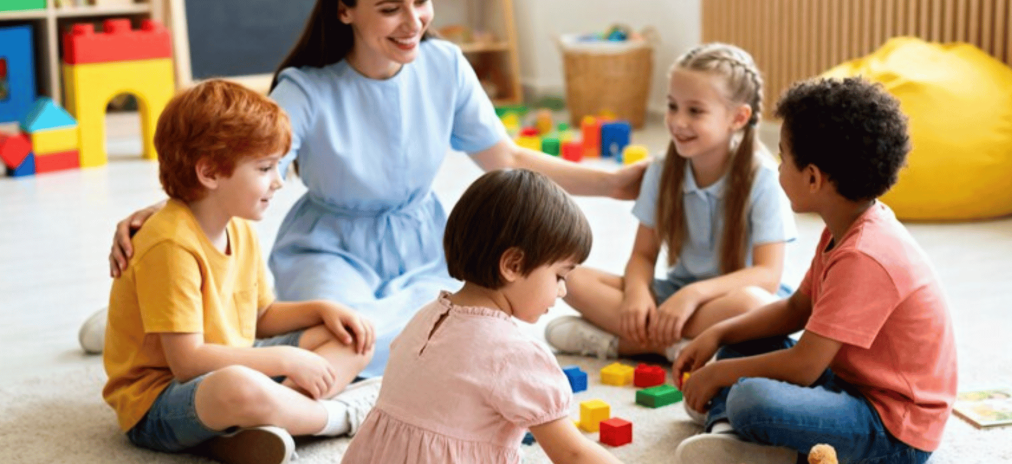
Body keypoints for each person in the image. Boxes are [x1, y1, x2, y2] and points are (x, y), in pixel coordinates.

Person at [86, 0, 648, 380]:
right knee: (354, 331)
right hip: (329, 245)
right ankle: (165, 324)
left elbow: (504, 158)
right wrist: (167, 212)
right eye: (388, 8)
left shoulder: (446, 66)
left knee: (469, 324)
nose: (413, 21)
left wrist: (615, 182)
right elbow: (235, 165)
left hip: (423, 238)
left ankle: (193, 329)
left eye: (420, 1)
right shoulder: (307, 88)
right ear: (347, 9)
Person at [331, 169, 692, 464]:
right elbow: (571, 453)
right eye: (559, 276)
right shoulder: (515, 352)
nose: (562, 291)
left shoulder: (425, 316)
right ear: (513, 265)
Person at [671, 77, 957, 464]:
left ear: (813, 178)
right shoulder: (844, 225)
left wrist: (716, 375)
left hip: (894, 427)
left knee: (749, 397)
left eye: (782, 156)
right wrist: (716, 333)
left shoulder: (865, 255)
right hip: (848, 382)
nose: (776, 165)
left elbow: (803, 367)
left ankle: (746, 432)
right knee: (741, 339)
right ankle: (731, 433)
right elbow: (795, 309)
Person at [102, 80, 378, 464]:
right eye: (265, 168)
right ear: (210, 172)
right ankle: (331, 417)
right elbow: (186, 363)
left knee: (352, 336)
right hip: (158, 403)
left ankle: (270, 417)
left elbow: (260, 315)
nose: (279, 181)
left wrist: (322, 309)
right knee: (238, 386)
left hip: (226, 364)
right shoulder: (169, 243)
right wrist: (285, 358)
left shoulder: (238, 224)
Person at [545, 43, 796, 362]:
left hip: (731, 299)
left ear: (738, 117)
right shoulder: (662, 170)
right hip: (672, 295)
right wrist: (636, 295)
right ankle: (675, 346)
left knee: (757, 306)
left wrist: (694, 295)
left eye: (695, 111)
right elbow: (643, 255)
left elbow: (766, 275)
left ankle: (620, 344)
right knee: (569, 276)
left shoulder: (762, 179)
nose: (678, 122)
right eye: (672, 106)